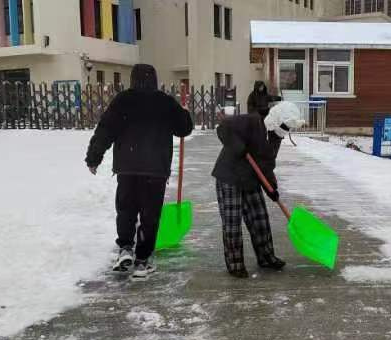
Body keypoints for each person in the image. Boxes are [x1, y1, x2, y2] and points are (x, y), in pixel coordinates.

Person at [85, 64, 193, 279]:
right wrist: (184, 113)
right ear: (155, 79)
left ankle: (125, 248)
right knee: (149, 215)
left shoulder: (123, 100)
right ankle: (142, 260)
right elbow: (184, 129)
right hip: (155, 169)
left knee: (126, 210)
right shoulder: (165, 102)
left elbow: (105, 130)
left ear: (133, 79)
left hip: (127, 168)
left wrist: (93, 157)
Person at [211, 102, 305, 278]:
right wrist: (240, 147)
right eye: (285, 126)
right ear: (277, 119)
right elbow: (223, 128)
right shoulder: (252, 121)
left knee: (260, 219)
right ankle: (235, 264)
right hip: (230, 176)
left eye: (288, 128)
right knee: (232, 223)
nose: (285, 130)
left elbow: (266, 164)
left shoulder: (275, 136)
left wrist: (272, 188)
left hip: (251, 179)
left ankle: (266, 257)